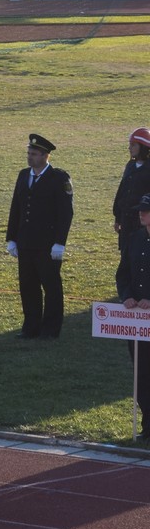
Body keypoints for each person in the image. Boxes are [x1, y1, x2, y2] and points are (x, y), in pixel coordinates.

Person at [5, 133, 73, 339]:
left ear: (45, 156)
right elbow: (16, 207)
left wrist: (60, 243)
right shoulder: (23, 175)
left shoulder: (59, 178)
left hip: (47, 245)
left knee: (51, 288)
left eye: (34, 154)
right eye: (28, 153)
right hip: (26, 242)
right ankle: (31, 327)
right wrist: (11, 238)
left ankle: (51, 330)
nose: (29, 157)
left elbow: (65, 213)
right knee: (28, 286)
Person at [122, 193, 150, 440]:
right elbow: (123, 273)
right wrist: (127, 296)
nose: (141, 213)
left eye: (146, 210)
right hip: (136, 321)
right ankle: (147, 425)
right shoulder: (135, 239)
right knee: (141, 373)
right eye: (140, 210)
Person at [112, 127, 150, 299]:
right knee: (127, 253)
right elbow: (122, 190)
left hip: (141, 219)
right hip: (126, 220)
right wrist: (117, 216)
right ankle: (127, 288)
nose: (130, 148)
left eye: (133, 145)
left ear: (143, 146)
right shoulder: (130, 166)